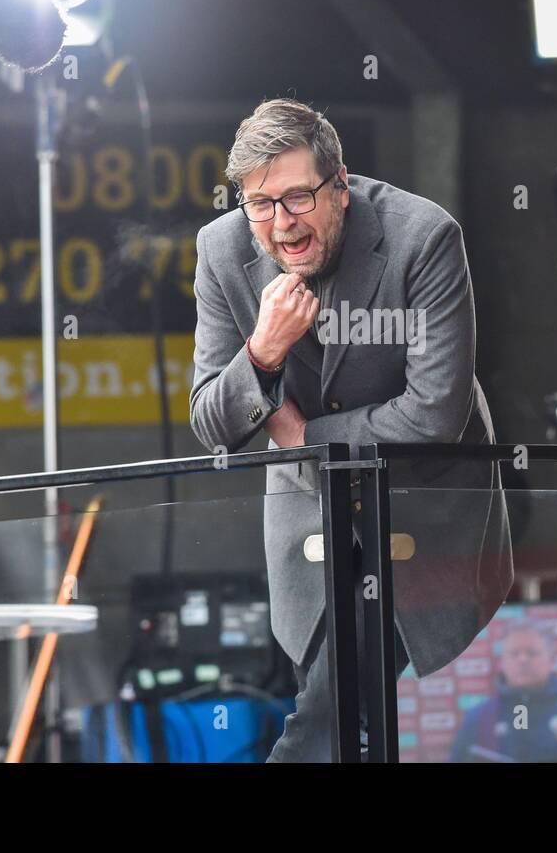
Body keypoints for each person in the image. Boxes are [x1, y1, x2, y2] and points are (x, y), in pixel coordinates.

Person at [189, 98, 512, 762]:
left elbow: (434, 413)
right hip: (310, 519)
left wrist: (303, 434)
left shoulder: (422, 236)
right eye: (260, 203)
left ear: (340, 186)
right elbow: (212, 424)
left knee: (327, 713)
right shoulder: (221, 250)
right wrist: (262, 354)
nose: (281, 223)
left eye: (299, 197)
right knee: (342, 714)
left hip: (422, 508)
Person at [449, 621, 557, 762]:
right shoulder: (477, 718)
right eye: (514, 653)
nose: (523, 660)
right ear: (502, 662)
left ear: (552, 660)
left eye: (531, 653)